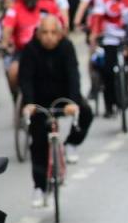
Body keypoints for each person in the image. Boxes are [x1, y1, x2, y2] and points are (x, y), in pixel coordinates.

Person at [18, 16, 93, 207]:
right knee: (38, 142)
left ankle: (71, 144)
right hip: (38, 101)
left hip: (64, 98)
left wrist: (74, 102)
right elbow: (25, 79)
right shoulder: (30, 50)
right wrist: (28, 103)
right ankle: (39, 187)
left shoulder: (67, 47)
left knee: (86, 112)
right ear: (38, 33)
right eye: (45, 33)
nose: (49, 37)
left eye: (53, 33)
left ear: (60, 34)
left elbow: (73, 74)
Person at [1, 0, 63, 94]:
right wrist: (4, 43)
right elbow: (7, 29)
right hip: (23, 53)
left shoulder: (49, 6)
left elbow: (60, 26)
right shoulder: (15, 10)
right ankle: (18, 97)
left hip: (48, 50)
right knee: (13, 72)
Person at [88, 0, 128, 117]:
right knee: (107, 71)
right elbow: (97, 18)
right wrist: (94, 36)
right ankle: (109, 105)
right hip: (110, 38)